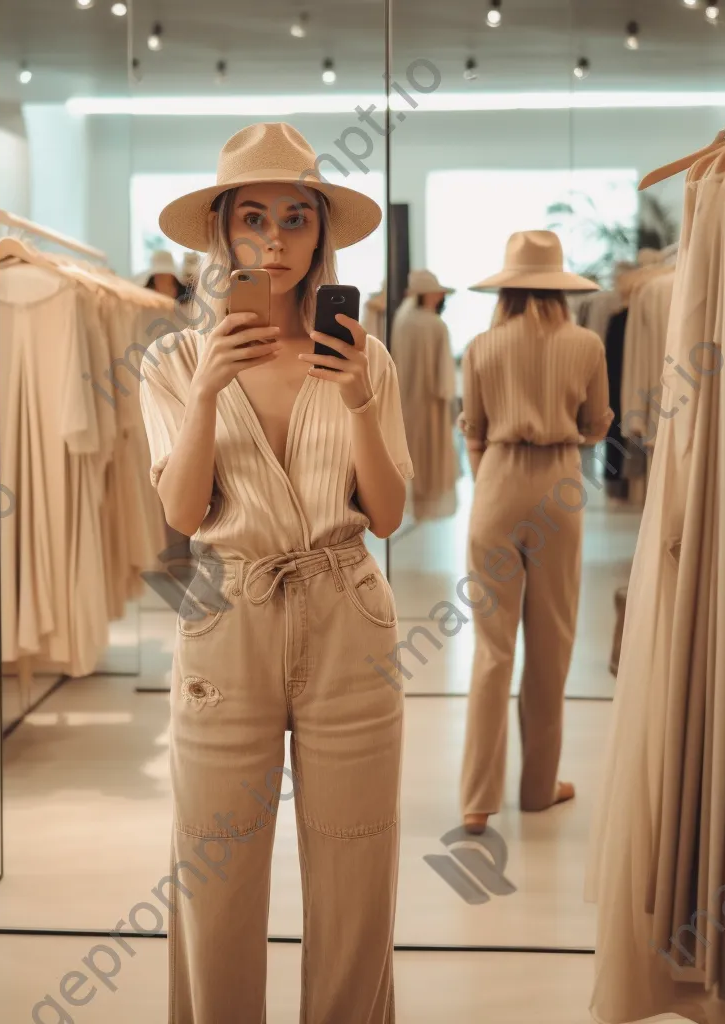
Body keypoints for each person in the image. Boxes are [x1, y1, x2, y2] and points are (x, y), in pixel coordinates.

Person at [138, 121, 412, 1023]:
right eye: (252, 218)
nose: (274, 240)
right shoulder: (175, 359)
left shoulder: (364, 356)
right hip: (229, 608)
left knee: (356, 866)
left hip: (347, 607)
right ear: (222, 235)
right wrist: (211, 388)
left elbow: (387, 515)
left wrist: (363, 405)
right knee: (214, 866)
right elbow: (182, 515)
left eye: (296, 218)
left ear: (320, 233)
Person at [458, 230, 613, 835]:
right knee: (551, 644)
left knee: (492, 650)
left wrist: (492, 480)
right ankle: (538, 786)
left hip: (496, 482)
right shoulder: (587, 343)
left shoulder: (480, 346)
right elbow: (597, 425)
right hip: (558, 484)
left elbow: (473, 428)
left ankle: (476, 801)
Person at [390, 269, 460, 520]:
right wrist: (449, 401)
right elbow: (445, 376)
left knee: (411, 449)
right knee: (431, 453)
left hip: (406, 399)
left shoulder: (402, 321)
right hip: (431, 402)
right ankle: (427, 503)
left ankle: (410, 501)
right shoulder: (435, 324)